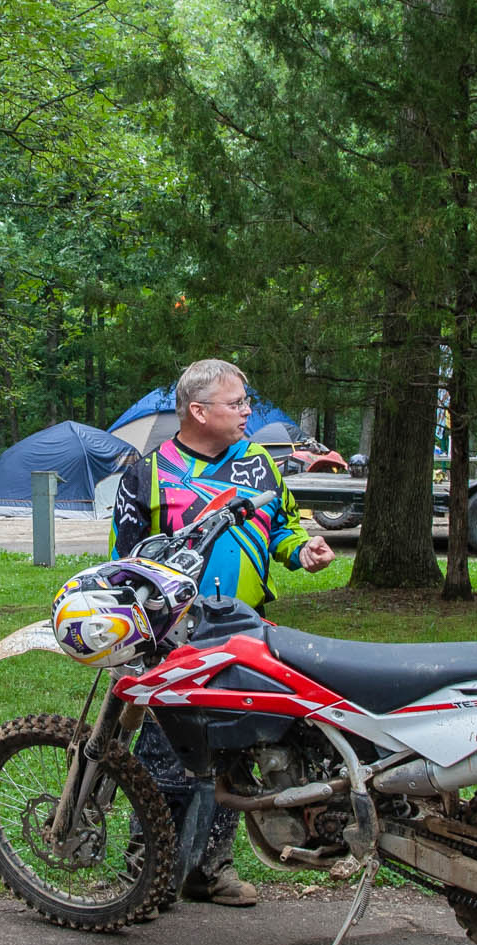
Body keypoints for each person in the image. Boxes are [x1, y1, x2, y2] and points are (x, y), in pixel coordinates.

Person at [111, 357, 334, 906]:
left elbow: (282, 526)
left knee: (234, 753)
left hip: (244, 635)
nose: (247, 412)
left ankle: (211, 870)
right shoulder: (146, 473)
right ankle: (145, 875)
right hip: (175, 638)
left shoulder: (260, 463)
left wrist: (302, 549)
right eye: (236, 403)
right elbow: (124, 563)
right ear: (198, 410)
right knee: (164, 758)